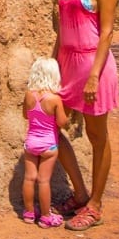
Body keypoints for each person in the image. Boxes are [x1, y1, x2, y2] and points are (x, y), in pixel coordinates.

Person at [54, 0, 119, 231]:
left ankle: (95, 204)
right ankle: (79, 193)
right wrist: (54, 64)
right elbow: (61, 28)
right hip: (66, 64)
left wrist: (94, 76)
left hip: (94, 65)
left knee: (97, 137)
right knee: (49, 123)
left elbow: (106, 33)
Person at [21, 57, 68, 228]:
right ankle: (46, 216)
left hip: (31, 143)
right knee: (43, 181)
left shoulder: (28, 95)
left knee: (29, 178)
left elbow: (26, 115)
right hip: (49, 145)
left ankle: (28, 213)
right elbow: (62, 122)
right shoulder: (55, 99)